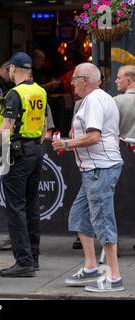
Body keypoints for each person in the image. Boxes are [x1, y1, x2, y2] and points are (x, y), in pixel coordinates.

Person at [52, 63, 124, 292]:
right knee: (79, 215)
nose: (71, 83)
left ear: (84, 79)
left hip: (98, 169)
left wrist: (67, 143)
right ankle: (91, 266)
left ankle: (114, 278)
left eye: (74, 78)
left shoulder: (93, 100)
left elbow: (94, 136)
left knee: (103, 220)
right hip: (98, 168)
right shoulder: (104, 97)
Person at [0, 52, 47, 276]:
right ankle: (34, 257)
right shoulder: (40, 91)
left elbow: (5, 129)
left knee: (16, 209)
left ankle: (23, 262)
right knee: (32, 207)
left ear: (12, 69)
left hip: (19, 154)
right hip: (35, 151)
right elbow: (42, 127)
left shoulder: (14, 94)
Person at [113, 65, 135, 140]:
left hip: (126, 149)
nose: (116, 81)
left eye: (119, 78)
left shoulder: (116, 101)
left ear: (128, 81)